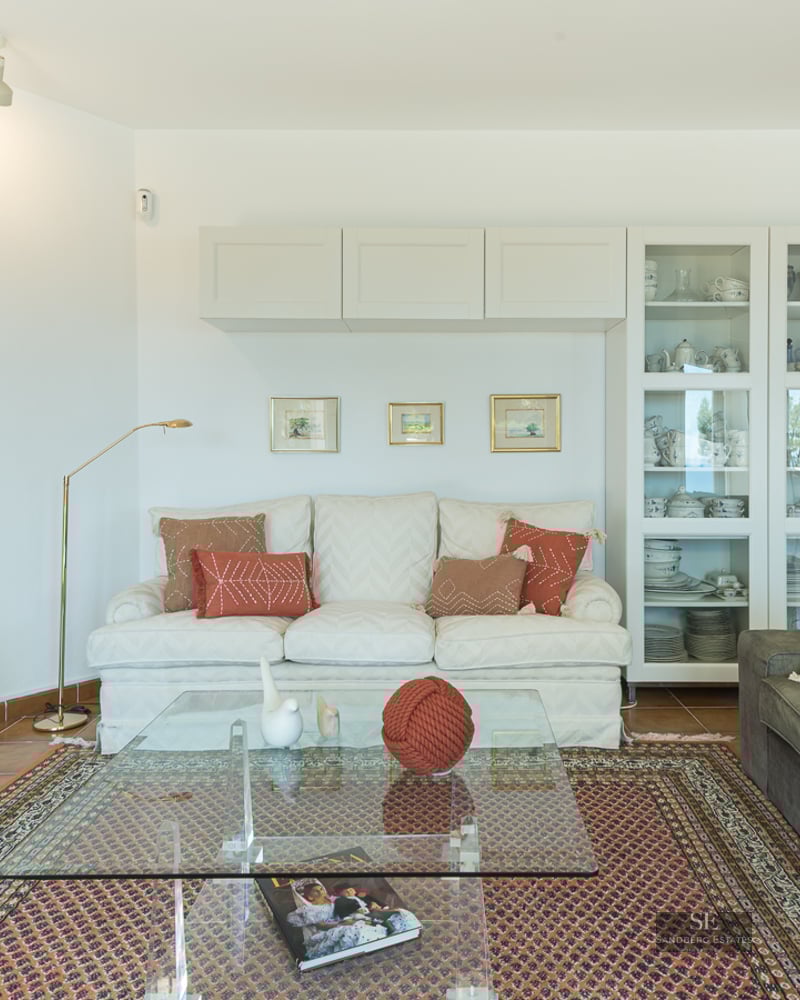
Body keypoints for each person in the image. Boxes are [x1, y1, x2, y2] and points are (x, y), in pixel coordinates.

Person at [286, 880, 387, 959]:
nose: (321, 892)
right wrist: (341, 923)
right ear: (310, 897)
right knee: (350, 931)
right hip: (327, 930)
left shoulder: (334, 902)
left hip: (344, 923)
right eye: (316, 891)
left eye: (321, 889)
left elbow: (346, 912)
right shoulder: (311, 910)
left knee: (365, 924)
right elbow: (322, 925)